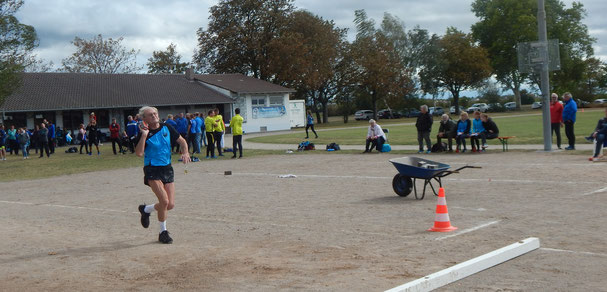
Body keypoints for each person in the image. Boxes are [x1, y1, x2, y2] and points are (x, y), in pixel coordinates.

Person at [136, 106, 190, 244]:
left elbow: (182, 141)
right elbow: (139, 153)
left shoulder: (167, 128)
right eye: (150, 114)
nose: (154, 116)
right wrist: (143, 135)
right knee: (164, 201)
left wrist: (185, 152)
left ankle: (146, 209)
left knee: (170, 205)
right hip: (152, 169)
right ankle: (163, 232)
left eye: (155, 113)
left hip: (167, 168)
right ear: (145, 119)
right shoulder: (144, 133)